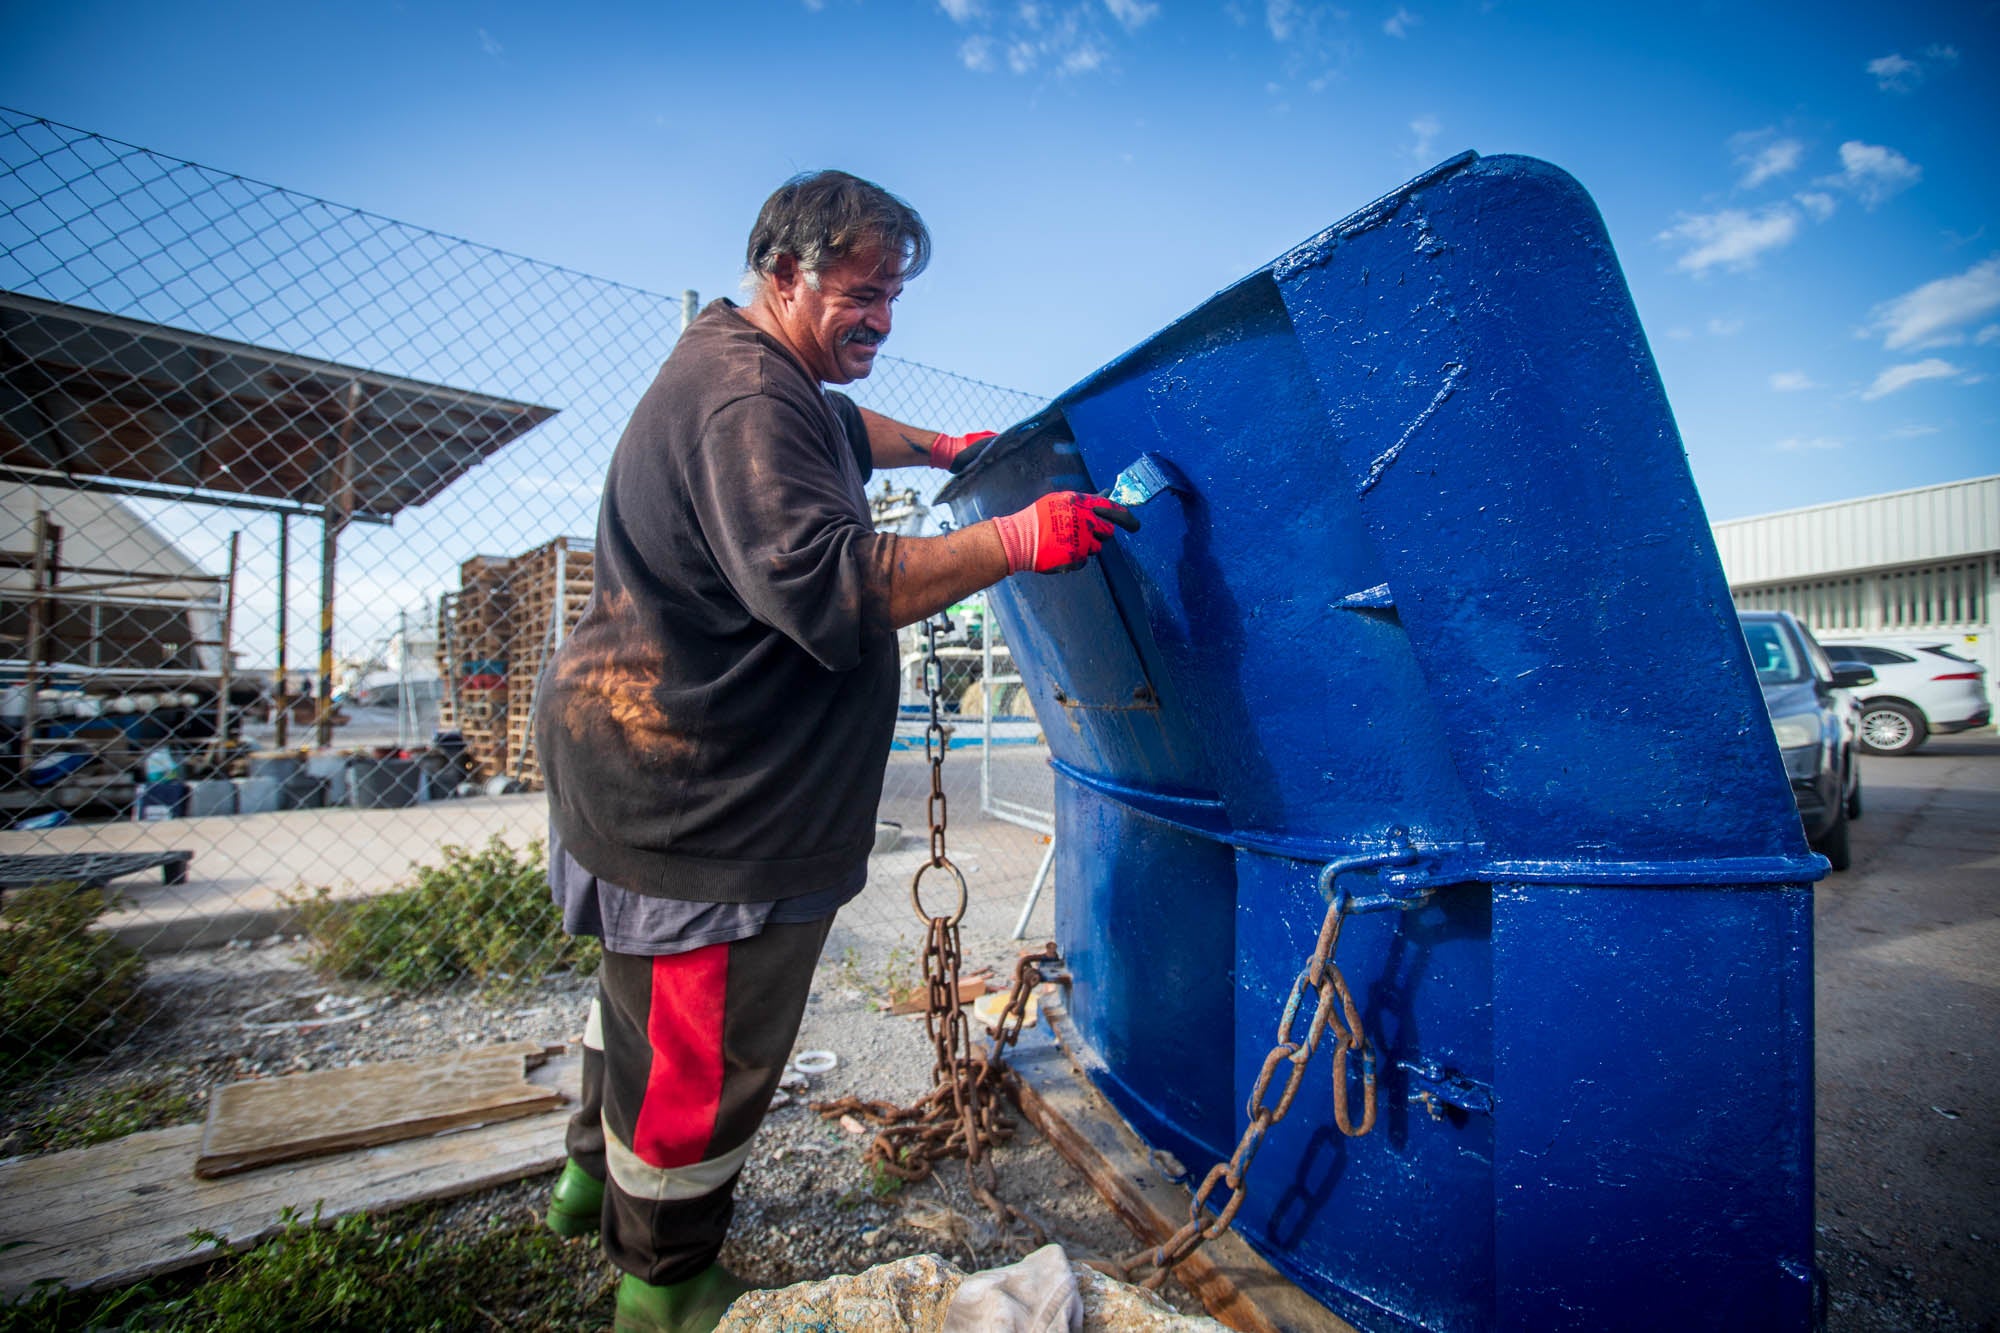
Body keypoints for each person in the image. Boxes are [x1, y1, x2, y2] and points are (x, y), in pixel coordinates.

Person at [533, 169, 1135, 1333]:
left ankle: (582, 1184)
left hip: (631, 765)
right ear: (782, 272)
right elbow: (827, 582)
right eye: (858, 293)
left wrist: (933, 445)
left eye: (892, 297)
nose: (881, 318)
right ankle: (662, 1286)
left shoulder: (755, 369)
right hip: (697, 802)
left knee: (640, 1012)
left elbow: (843, 428)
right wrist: (1013, 536)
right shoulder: (744, 404)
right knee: (701, 1052)